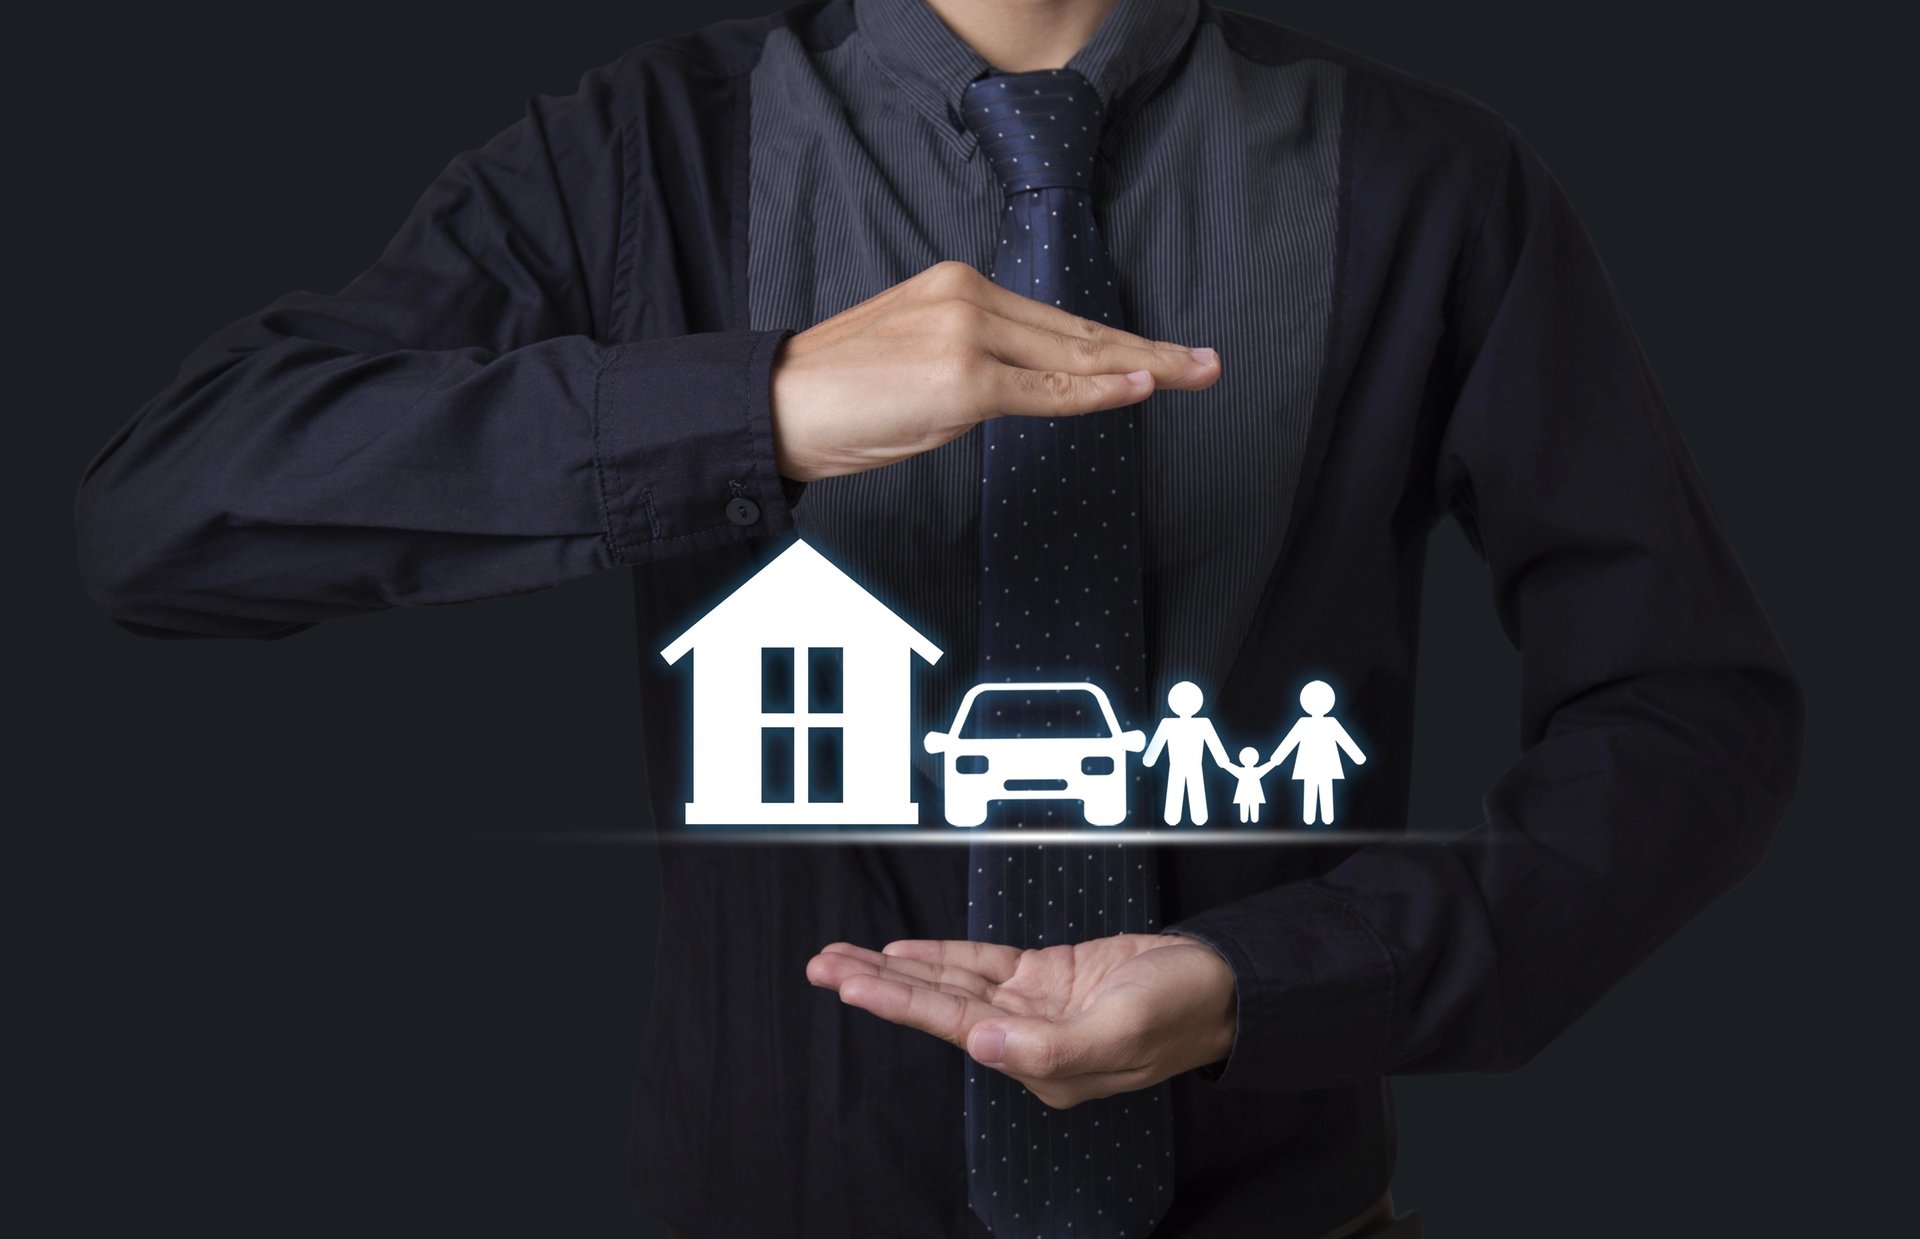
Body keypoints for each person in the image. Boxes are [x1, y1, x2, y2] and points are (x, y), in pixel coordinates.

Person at [70, 1, 1804, 1237]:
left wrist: (1270, 980)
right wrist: (753, 405)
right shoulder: (637, 155)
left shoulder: (1436, 181)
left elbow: (1691, 716)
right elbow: (165, 517)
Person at [1268, 679, 1367, 827]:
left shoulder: (1330, 723)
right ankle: (1311, 817)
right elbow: (1290, 741)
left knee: (1324, 789)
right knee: (1311, 790)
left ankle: (1325, 817)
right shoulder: (1304, 723)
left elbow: (1345, 740)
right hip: (1310, 766)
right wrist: (1277, 757)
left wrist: (1357, 756)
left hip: (1326, 766)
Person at [1142, 680, 1232, 826]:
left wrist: (1222, 760)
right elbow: (1155, 747)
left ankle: (1194, 817)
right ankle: (1179, 817)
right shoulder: (1169, 724)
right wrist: (1223, 760)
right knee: (1177, 788)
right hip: (1178, 765)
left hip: (1192, 765)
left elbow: (1214, 743)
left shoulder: (1200, 724)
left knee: (1191, 788)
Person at [1222, 745, 1279, 825]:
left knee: (1251, 806)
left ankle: (1249, 819)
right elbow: (1231, 768)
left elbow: (1230, 767)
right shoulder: (1251, 771)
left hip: (1250, 793)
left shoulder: (1248, 771)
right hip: (1248, 793)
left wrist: (1225, 764)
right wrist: (1273, 763)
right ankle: (1248, 819)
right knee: (1246, 806)